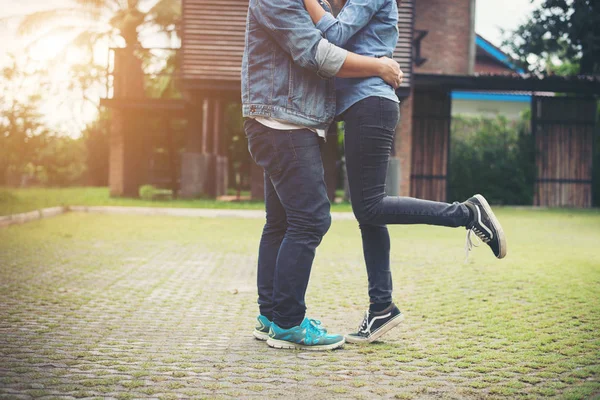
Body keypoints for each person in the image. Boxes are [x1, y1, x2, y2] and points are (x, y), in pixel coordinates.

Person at [303, 0, 507, 344]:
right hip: (362, 107)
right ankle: (381, 306)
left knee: (368, 206)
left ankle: (468, 214)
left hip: (369, 105)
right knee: (369, 216)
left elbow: (335, 35)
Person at [242, 0, 404, 351]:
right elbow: (318, 54)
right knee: (311, 219)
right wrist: (378, 66)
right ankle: (288, 323)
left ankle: (271, 317)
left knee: (281, 223)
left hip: (289, 120)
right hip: (283, 122)